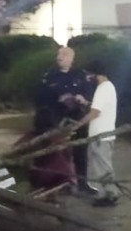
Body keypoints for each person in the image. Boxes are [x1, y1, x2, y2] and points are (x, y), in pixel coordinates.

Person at [35, 46, 94, 194]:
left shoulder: (81, 75)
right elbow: (40, 97)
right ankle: (59, 184)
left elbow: (88, 93)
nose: (60, 57)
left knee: (80, 151)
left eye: (64, 54)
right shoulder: (49, 75)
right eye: (59, 54)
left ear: (72, 58)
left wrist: (82, 98)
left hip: (77, 119)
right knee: (57, 152)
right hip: (55, 120)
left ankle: (82, 184)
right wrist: (58, 99)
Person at [68, 60, 120, 207]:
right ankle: (104, 193)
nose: (88, 77)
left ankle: (111, 194)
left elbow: (95, 112)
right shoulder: (108, 87)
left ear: (95, 74)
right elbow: (97, 107)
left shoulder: (103, 88)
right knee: (100, 165)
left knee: (103, 166)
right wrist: (85, 103)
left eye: (89, 74)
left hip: (100, 135)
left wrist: (78, 125)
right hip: (103, 134)